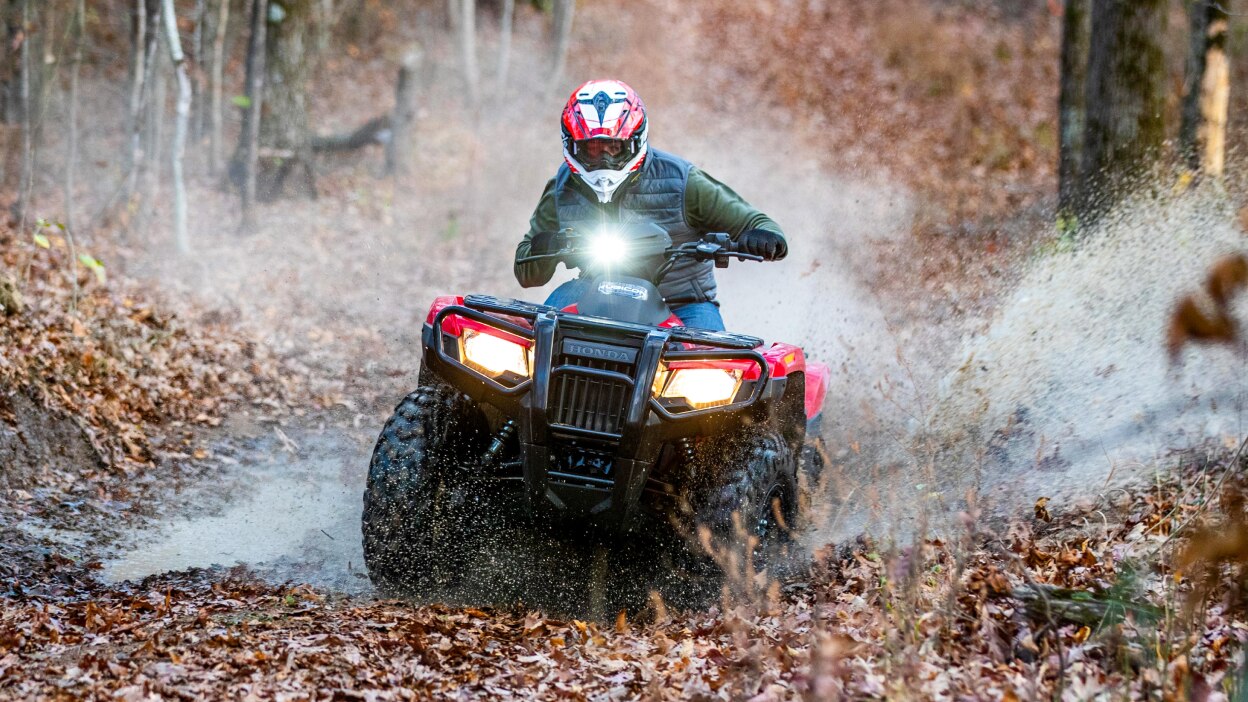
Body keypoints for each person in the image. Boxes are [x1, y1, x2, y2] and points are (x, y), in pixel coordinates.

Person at [514, 79, 787, 332]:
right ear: (572, 146)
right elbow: (526, 271)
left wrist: (763, 237)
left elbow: (755, 222)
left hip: (683, 301)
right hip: (594, 291)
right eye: (593, 149)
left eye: (614, 147)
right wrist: (546, 246)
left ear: (636, 141)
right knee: (537, 335)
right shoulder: (562, 187)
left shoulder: (683, 181)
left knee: (714, 365)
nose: (604, 159)